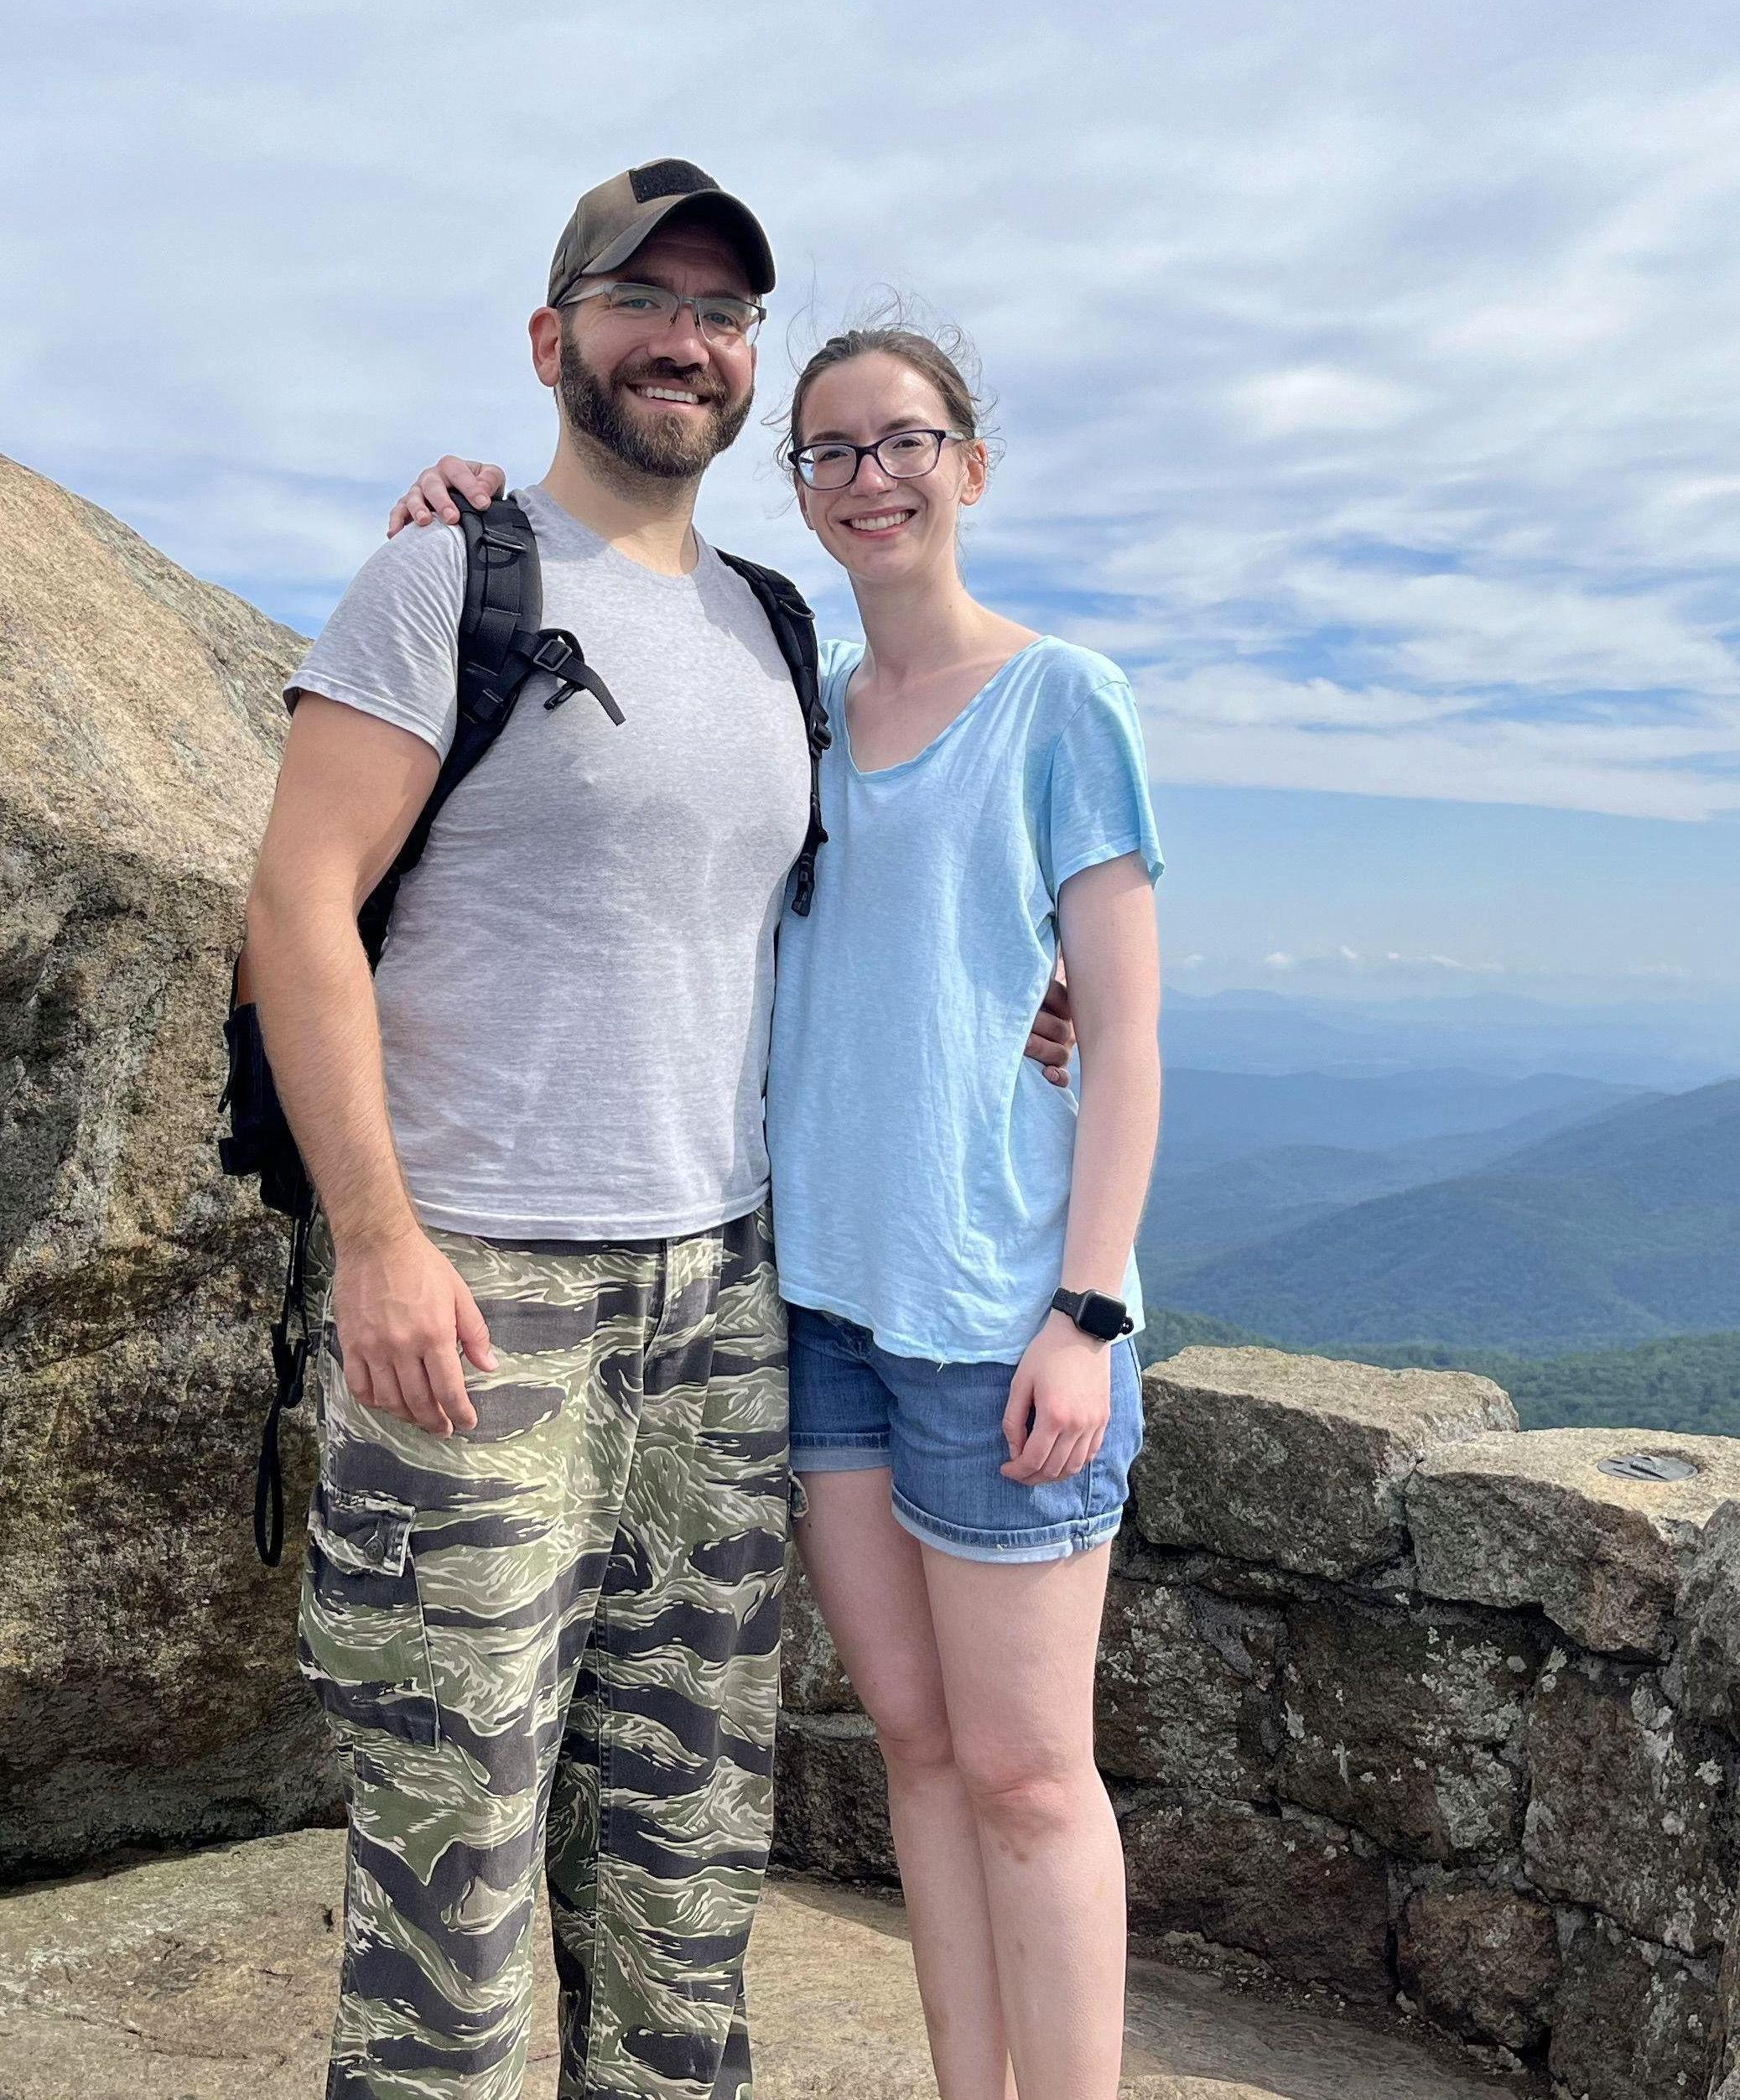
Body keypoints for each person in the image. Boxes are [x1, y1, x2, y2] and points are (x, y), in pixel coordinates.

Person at [246, 162, 1073, 2100]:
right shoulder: (443, 580)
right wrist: (375, 1240)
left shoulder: (781, 632)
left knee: (690, 1870)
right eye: (645, 299)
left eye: (722, 313)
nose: (686, 339)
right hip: (476, 1294)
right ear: (557, 342)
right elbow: (295, 904)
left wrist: (1050, 1001)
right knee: (452, 1871)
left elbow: (856, 912)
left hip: (725, 1304)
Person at [392, 314, 1163, 2100]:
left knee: (1035, 1778)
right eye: (831, 451)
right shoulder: (794, 703)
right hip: (816, 1309)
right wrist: (453, 509)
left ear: (971, 463)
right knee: (912, 1744)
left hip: (997, 1320)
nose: (870, 476)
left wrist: (1092, 1307)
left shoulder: (1063, 701)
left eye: (904, 441)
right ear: (798, 489)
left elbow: (1120, 1033)